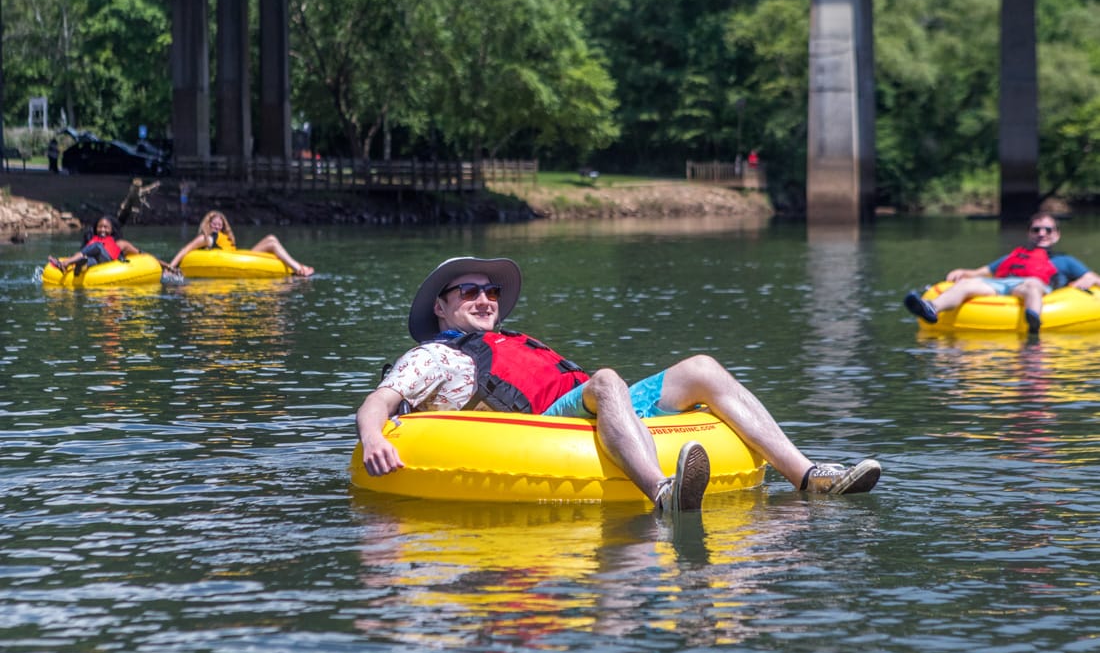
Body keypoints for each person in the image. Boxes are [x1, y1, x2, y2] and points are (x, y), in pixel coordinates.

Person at [355, 257, 882, 514]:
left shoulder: (510, 340)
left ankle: (809, 477)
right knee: (606, 379)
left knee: (701, 367)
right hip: (540, 429)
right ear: (440, 306)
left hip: (581, 410)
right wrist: (375, 436)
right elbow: (379, 400)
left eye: (490, 291)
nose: (484, 299)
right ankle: (663, 491)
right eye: (468, 291)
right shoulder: (436, 357)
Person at [904, 211, 1100, 333]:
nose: (1042, 234)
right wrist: (963, 272)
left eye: (1048, 230)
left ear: (1056, 235)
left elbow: (1094, 278)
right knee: (965, 284)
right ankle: (931, 308)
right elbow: (981, 272)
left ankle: (1033, 319)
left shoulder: (1065, 261)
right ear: (1029, 233)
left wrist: (1089, 278)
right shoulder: (1015, 256)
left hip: (1031, 286)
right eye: (1036, 230)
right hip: (1002, 286)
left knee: (1032, 285)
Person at [167, 209, 315, 276]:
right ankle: (299, 269)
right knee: (272, 242)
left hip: (240, 257)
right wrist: (171, 267)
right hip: (233, 261)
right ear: (208, 224)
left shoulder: (223, 236)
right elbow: (186, 249)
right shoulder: (207, 238)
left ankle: (298, 266)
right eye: (214, 224)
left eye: (220, 224)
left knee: (272, 239)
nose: (217, 227)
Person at [48, 215, 147, 273]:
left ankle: (65, 263)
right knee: (88, 259)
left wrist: (157, 262)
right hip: (97, 262)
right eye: (100, 227)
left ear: (112, 229)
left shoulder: (120, 243)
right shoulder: (93, 240)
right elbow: (83, 251)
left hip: (110, 262)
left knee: (98, 246)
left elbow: (139, 253)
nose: (102, 230)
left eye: (106, 227)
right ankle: (80, 266)